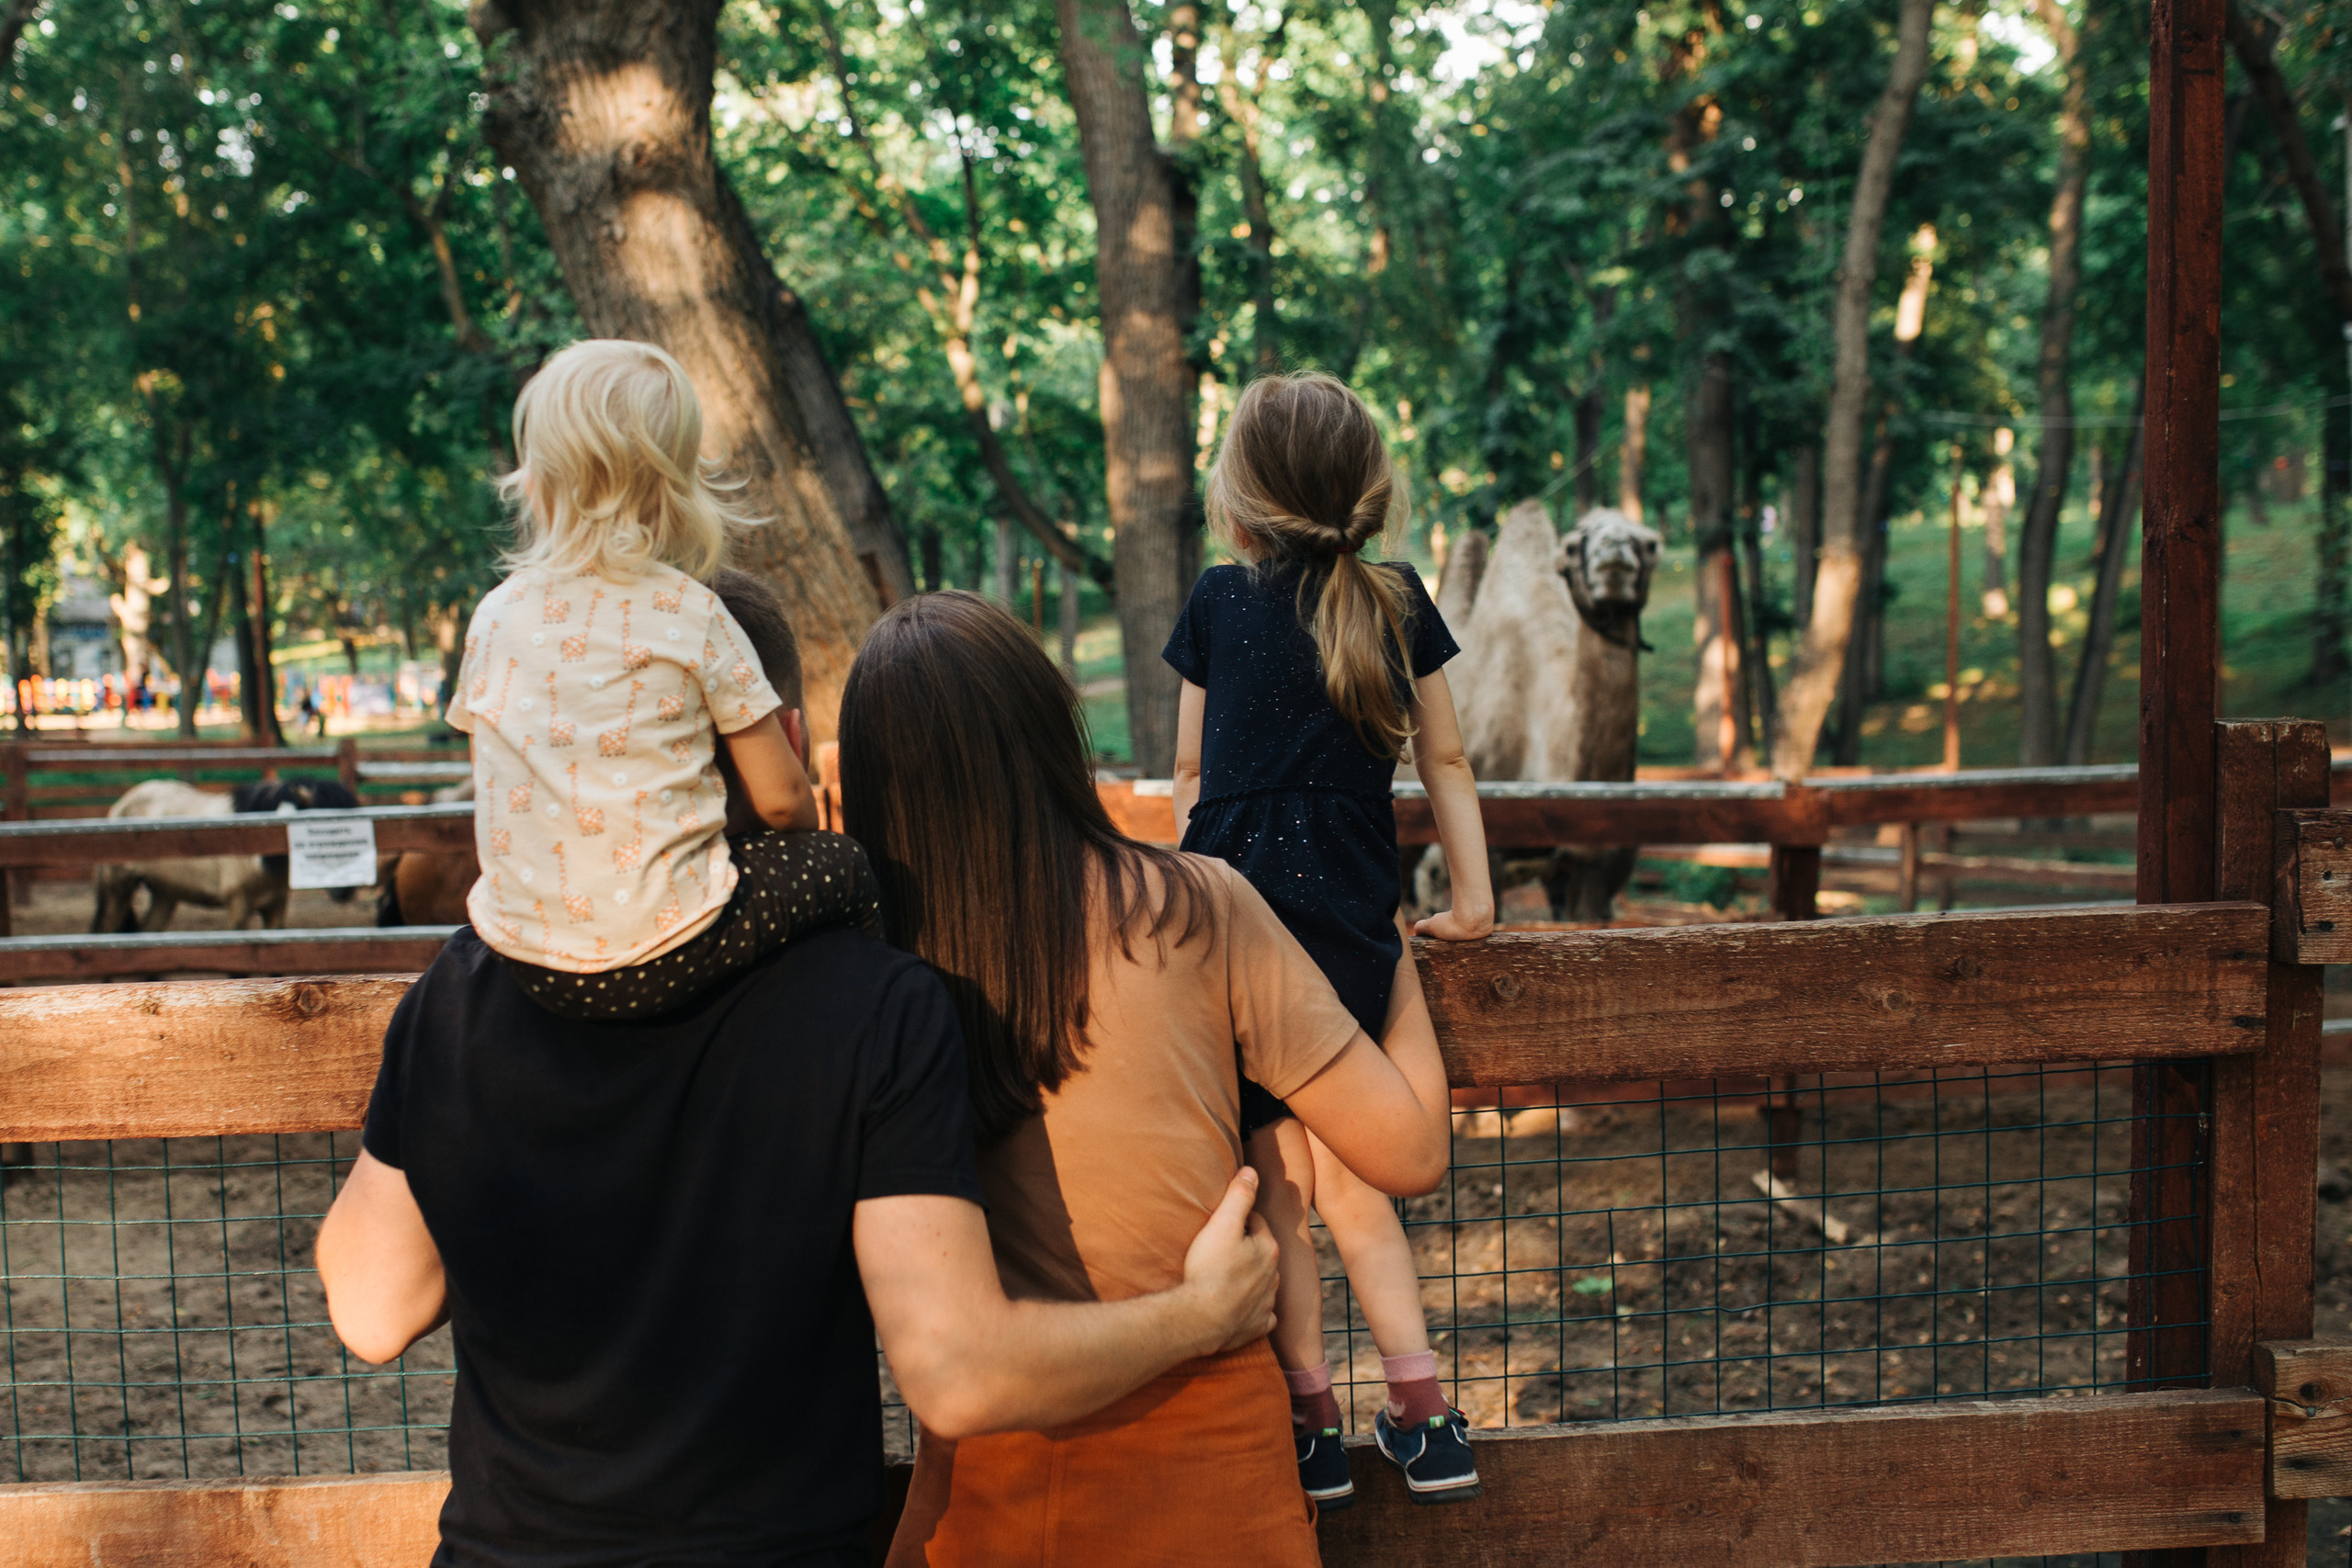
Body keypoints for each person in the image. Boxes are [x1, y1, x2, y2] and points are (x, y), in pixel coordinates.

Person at [315, 568, 1284, 1568]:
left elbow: (371, 1306)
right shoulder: (867, 1000)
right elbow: (954, 1371)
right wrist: (1199, 1315)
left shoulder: (467, 990)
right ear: (775, 739)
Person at [843, 592, 1455, 1567]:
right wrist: (1395, 960)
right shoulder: (1197, 909)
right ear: (1052, 727)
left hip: (996, 1513)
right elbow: (1409, 1148)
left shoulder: (866, 973)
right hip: (1219, 1499)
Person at [1165, 370, 1496, 1508]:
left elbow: (1191, 777)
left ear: (1241, 499)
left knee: (1278, 1195)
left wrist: (1193, 899)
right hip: (1356, 926)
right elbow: (1446, 762)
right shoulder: (1395, 597)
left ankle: (1310, 1428)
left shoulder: (1216, 600)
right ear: (1366, 488)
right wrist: (1476, 903)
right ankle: (1425, 1415)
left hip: (1236, 937)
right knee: (1364, 1193)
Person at [447, 337, 874, 1022]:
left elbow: (500, 785)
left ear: (540, 479)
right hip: (672, 947)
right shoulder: (691, 611)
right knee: (843, 866)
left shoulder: (494, 618)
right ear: (675, 484)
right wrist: (807, 831)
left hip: (528, 960)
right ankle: (846, 1021)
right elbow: (779, 802)